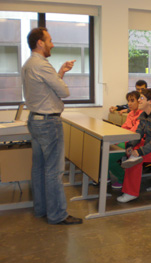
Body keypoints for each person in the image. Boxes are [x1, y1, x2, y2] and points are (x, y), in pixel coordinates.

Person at [22, 27, 82, 225]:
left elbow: (49, 89)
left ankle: (41, 210)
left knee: (39, 169)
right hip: (49, 123)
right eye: (49, 40)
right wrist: (59, 76)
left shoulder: (29, 64)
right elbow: (63, 91)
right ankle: (57, 215)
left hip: (35, 120)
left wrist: (61, 72)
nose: (52, 44)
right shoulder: (42, 64)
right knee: (54, 171)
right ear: (40, 42)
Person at [109, 91, 143, 189]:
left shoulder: (143, 115)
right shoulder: (130, 114)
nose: (129, 103)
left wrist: (120, 138)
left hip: (135, 142)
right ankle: (106, 176)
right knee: (104, 149)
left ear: (139, 102)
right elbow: (124, 127)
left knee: (109, 157)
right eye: (128, 101)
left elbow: (135, 132)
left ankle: (122, 178)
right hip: (125, 139)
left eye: (132, 101)